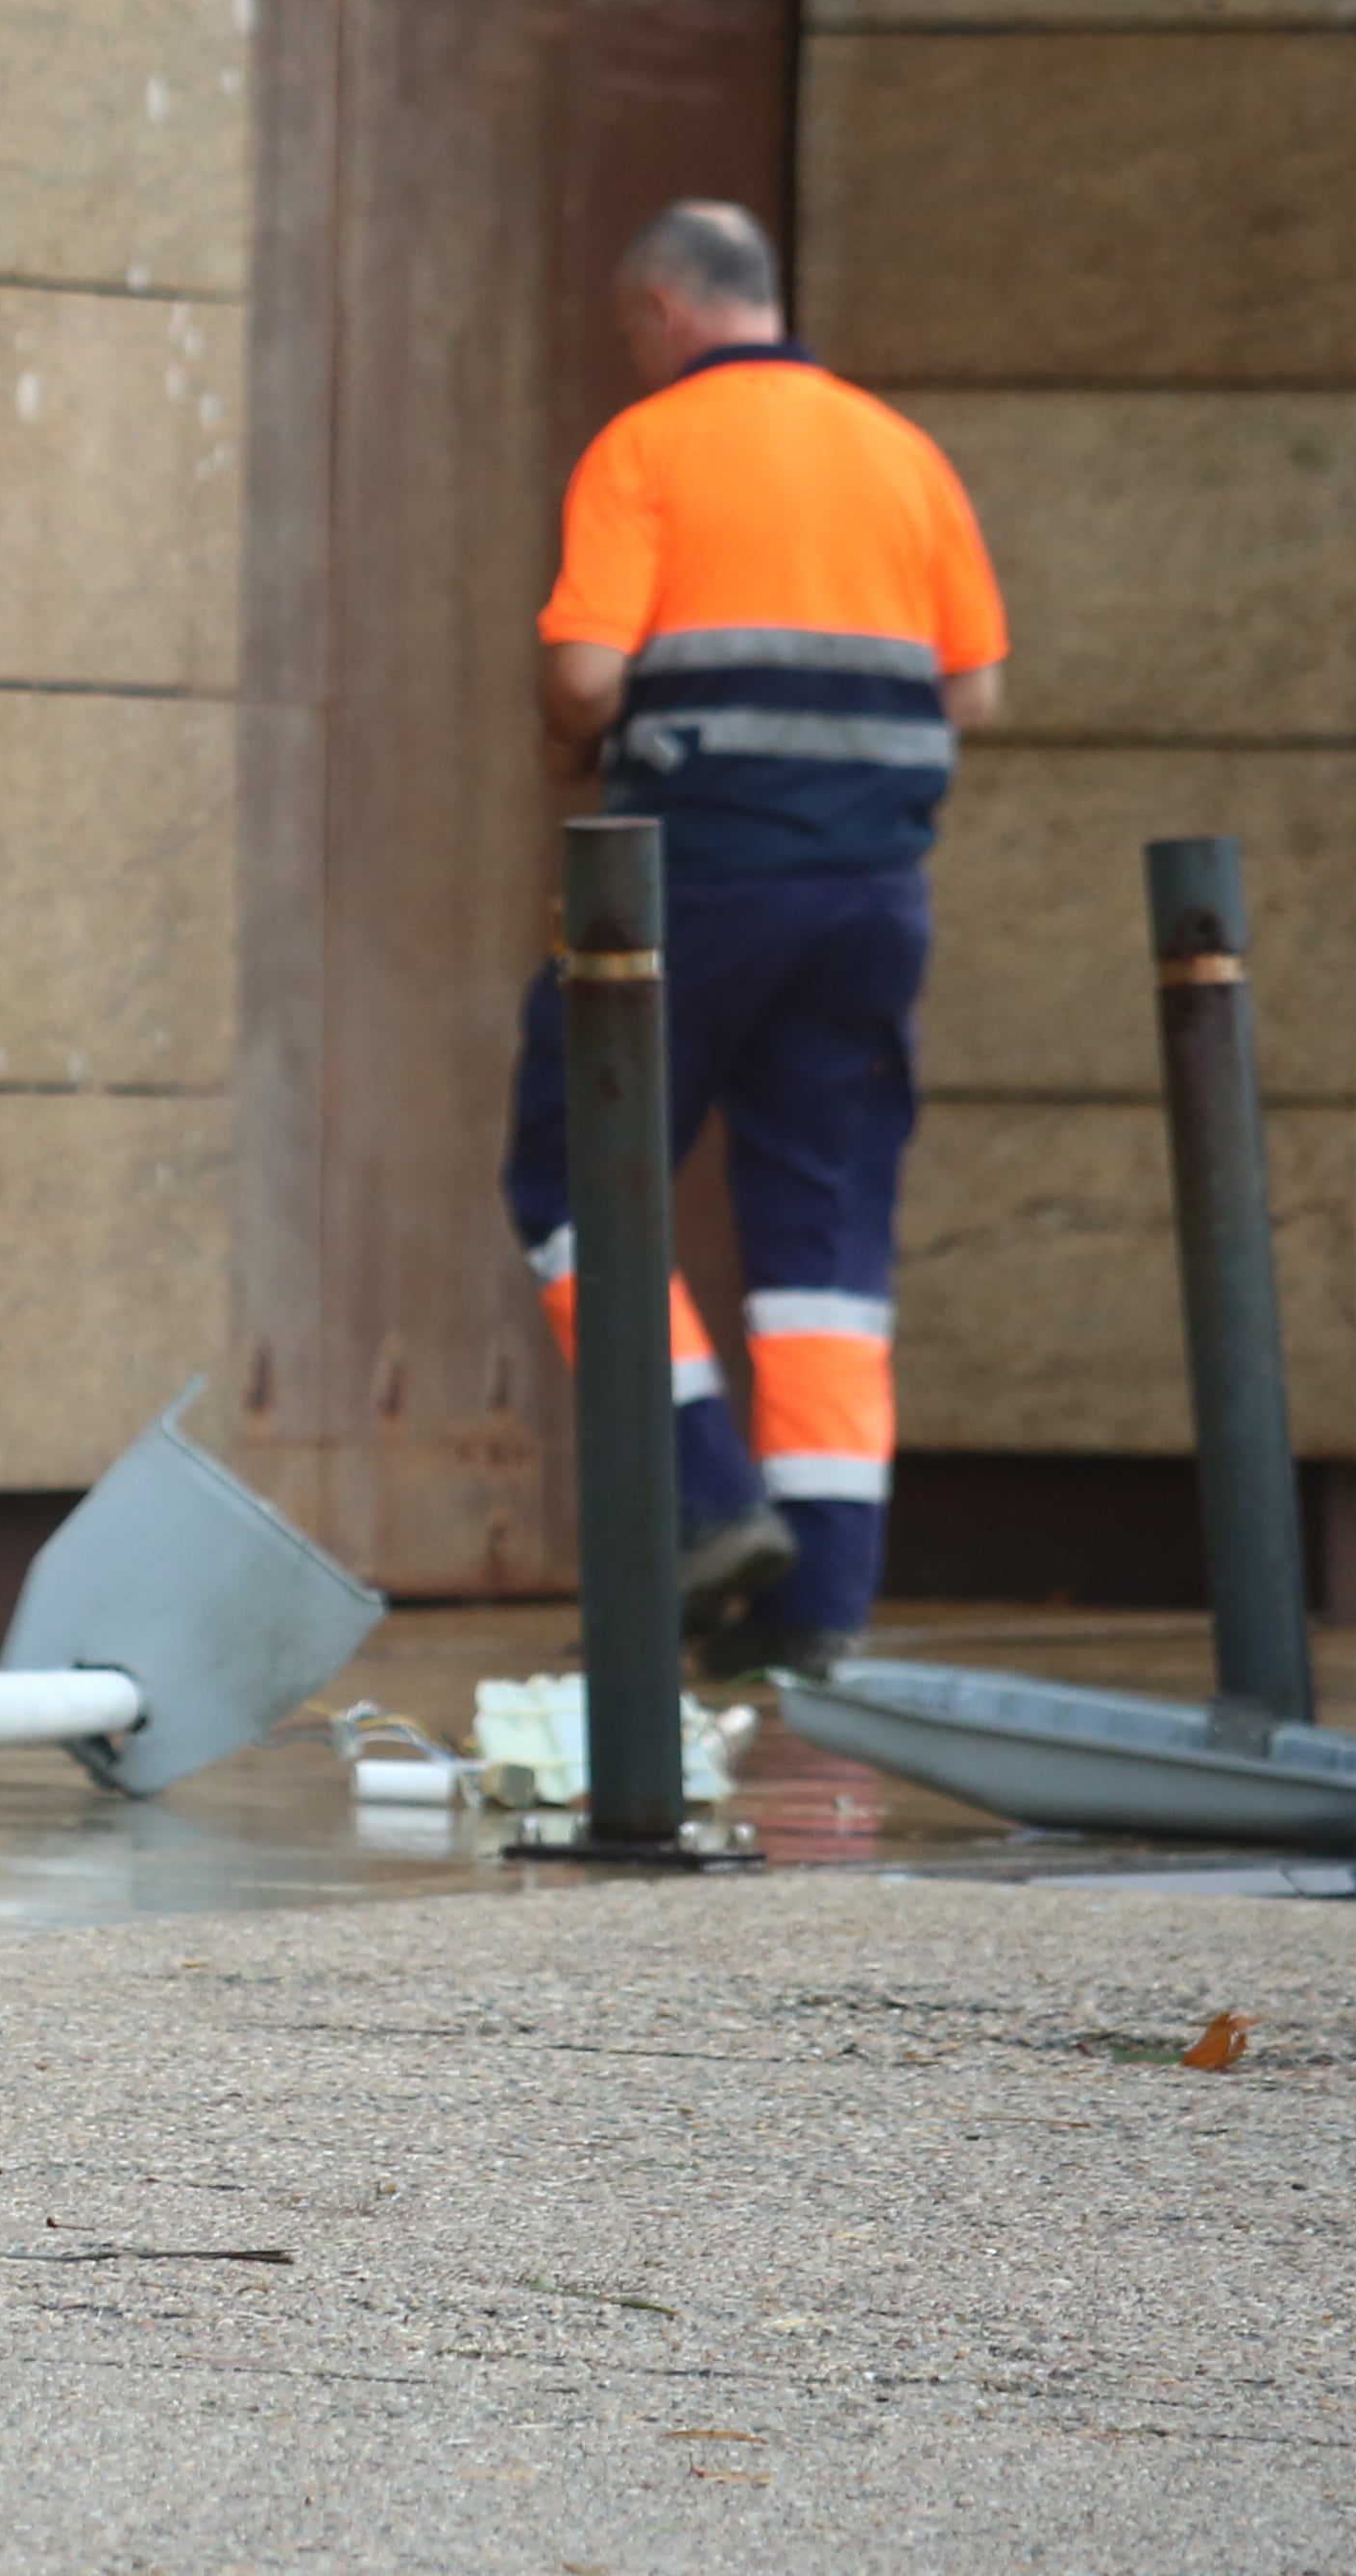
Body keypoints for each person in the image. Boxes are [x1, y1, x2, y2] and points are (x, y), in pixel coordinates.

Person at [501, 201, 1005, 1676]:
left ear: (661, 309)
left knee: (574, 1171)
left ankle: (708, 1499)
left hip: (696, 885)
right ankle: (821, 1607)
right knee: (825, 1251)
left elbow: (588, 679)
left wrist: (560, 737)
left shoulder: (646, 448)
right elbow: (975, 697)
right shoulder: (903, 453)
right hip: (872, 902)